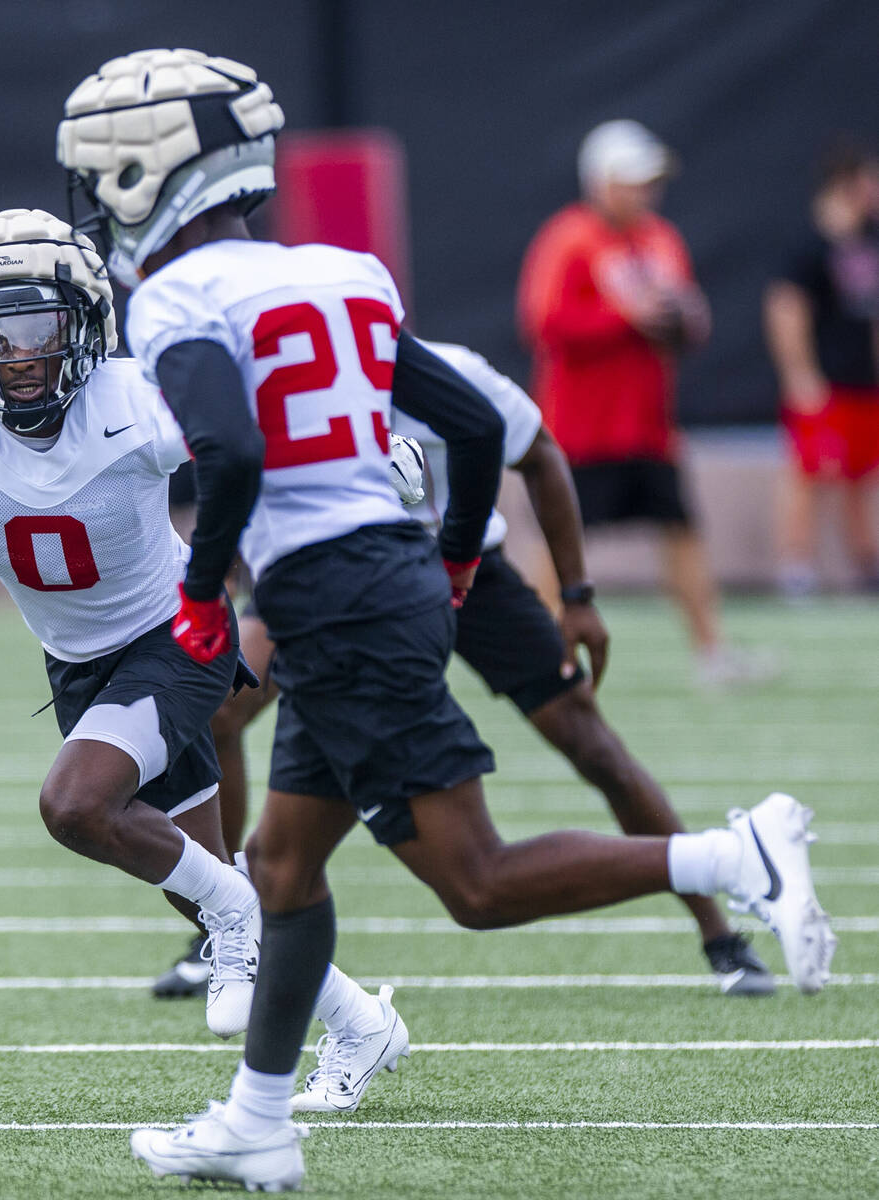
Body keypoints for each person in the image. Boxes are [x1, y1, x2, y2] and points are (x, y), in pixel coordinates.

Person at [56, 51, 835, 1191]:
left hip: (331, 595)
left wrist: (196, 588)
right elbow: (472, 425)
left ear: (149, 176)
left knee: (473, 883)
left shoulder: (176, 296)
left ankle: (734, 855)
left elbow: (228, 450)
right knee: (281, 864)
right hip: (376, 577)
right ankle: (258, 1121)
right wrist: (462, 554)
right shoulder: (339, 270)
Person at [0, 207, 400, 1054]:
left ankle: (245, 935)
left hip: (180, 633)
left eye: (42, 326)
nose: (23, 353)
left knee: (76, 805)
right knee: (200, 882)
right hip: (78, 666)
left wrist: (365, 454)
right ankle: (361, 1024)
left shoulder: (136, 400)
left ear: (86, 324)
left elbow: (259, 434)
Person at [199, 339, 774, 1008]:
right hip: (340, 589)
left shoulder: (452, 373)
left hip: (467, 572)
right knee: (222, 711)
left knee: (591, 745)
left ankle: (718, 931)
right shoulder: (286, 384)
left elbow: (540, 455)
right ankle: (222, 933)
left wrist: (578, 595)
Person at [518, 119, 770, 689]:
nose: (644, 192)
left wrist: (684, 322)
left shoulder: (661, 239)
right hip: (582, 427)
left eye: (648, 181)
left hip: (647, 425)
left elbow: (685, 320)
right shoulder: (569, 238)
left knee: (681, 532)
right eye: (632, 180)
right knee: (558, 545)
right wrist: (623, 319)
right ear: (601, 181)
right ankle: (533, 657)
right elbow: (544, 323)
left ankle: (712, 652)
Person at [764, 140, 879, 598]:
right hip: (823, 379)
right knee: (811, 473)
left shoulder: (870, 240)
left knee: (861, 475)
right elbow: (785, 309)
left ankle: (865, 562)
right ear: (847, 184)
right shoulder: (809, 245)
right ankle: (797, 566)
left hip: (863, 381)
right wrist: (800, 374)